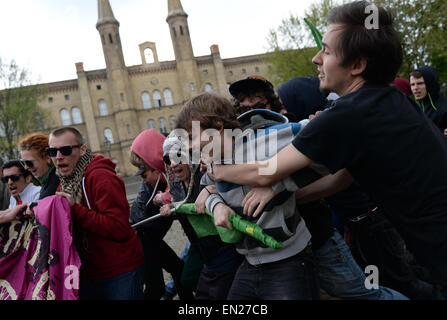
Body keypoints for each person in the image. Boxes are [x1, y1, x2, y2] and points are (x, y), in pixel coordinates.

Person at [209, 0, 447, 294]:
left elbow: (266, 171)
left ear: (357, 65)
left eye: (327, 50)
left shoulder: (346, 115)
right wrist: (286, 195)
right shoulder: (383, 99)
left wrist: (217, 169)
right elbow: (343, 177)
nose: (315, 59)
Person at [176, 93, 319, 300]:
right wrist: (216, 205)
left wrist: (277, 184)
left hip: (289, 261)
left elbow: (324, 145)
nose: (188, 146)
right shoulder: (211, 159)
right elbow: (207, 187)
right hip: (249, 264)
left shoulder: (264, 140)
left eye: (191, 137)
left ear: (217, 127)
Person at [50, 126, 144, 300]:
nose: (58, 157)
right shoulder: (65, 183)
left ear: (83, 149)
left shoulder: (101, 177)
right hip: (90, 273)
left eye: (65, 150)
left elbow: (119, 228)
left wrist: (74, 208)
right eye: (52, 151)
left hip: (119, 271)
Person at [159, 133, 243, 300]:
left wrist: (212, 189)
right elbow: (186, 212)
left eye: (178, 156)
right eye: (168, 160)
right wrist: (172, 209)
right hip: (202, 251)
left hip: (225, 249)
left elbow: (231, 188)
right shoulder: (175, 184)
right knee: (188, 280)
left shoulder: (205, 174)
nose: (174, 164)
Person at [129, 129, 193, 300]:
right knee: (156, 287)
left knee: (179, 271)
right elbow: (137, 219)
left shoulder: (175, 176)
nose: (144, 181)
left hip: (151, 239)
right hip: (143, 239)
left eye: (145, 174)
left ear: (156, 164)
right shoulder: (151, 187)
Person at [19, 133, 60, 200]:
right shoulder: (47, 182)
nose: (25, 167)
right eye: (23, 163)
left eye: (29, 163)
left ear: (47, 158)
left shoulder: (56, 184)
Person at [410, 66, 447, 136]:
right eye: (412, 84)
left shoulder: (444, 107)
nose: (415, 88)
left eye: (420, 83)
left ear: (430, 84)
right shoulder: (413, 108)